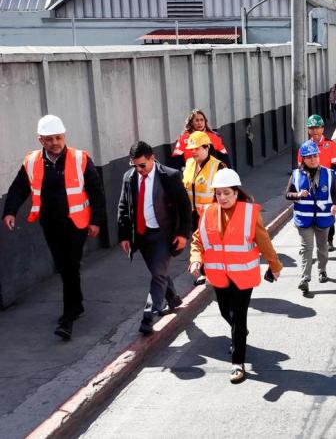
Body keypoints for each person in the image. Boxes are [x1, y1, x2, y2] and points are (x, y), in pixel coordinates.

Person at [3, 115, 105, 340]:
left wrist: (96, 221)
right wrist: (10, 211)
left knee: (69, 265)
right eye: (49, 139)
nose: (55, 143)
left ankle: (68, 318)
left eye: (58, 137)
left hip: (76, 223)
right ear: (40, 140)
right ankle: (77, 304)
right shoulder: (32, 161)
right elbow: (19, 187)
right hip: (50, 223)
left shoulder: (80, 158)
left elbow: (96, 191)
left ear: (64, 136)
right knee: (65, 266)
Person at [189, 168, 283, 383]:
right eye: (218, 193)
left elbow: (264, 241)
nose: (222, 197)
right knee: (226, 312)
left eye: (227, 193)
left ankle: (237, 363)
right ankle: (239, 333)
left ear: (236, 193)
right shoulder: (208, 212)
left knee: (239, 317)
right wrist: (195, 259)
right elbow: (198, 240)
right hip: (219, 275)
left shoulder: (249, 213)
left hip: (242, 276)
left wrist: (274, 265)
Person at [117, 141, 192, 335]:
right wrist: (124, 235)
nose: (138, 169)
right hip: (141, 235)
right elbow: (123, 206)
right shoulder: (129, 177)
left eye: (142, 165)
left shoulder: (170, 176)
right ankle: (173, 298)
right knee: (159, 271)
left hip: (164, 234)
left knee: (158, 274)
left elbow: (185, 207)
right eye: (134, 165)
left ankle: (148, 316)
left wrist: (183, 234)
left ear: (152, 158)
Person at [287, 140, 336, 293]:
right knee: (306, 248)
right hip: (304, 219)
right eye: (309, 157)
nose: (313, 159)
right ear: (303, 159)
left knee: (322, 248)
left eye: (315, 156)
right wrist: (297, 195)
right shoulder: (296, 174)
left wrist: (335, 205)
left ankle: (322, 270)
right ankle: (305, 278)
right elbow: (287, 194)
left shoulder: (328, 173)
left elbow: (335, 193)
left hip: (324, 218)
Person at [182, 131, 226, 286]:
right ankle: (204, 273)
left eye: (197, 148)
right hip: (193, 215)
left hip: (212, 215)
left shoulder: (218, 166)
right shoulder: (189, 164)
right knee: (199, 245)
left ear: (207, 147)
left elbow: (225, 193)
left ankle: (217, 273)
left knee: (212, 246)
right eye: (191, 149)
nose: (193, 152)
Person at [299, 115, 336, 250]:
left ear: (322, 128)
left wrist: (332, 180)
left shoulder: (331, 145)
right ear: (308, 130)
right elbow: (301, 168)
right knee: (310, 215)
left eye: (317, 128)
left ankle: (329, 240)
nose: (315, 131)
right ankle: (309, 244)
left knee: (328, 213)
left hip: (326, 185)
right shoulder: (304, 147)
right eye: (312, 128)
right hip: (310, 186)